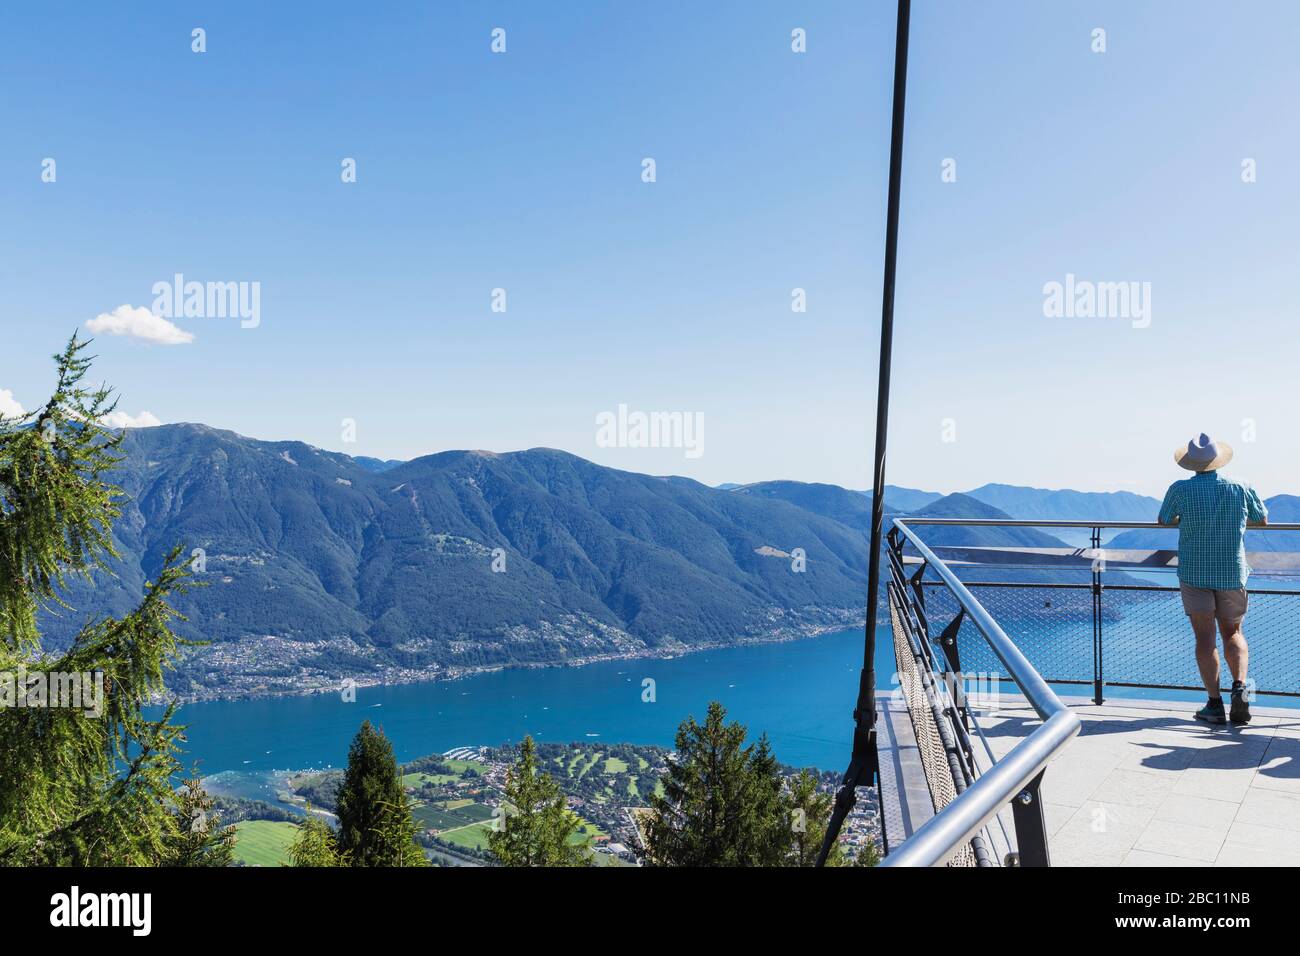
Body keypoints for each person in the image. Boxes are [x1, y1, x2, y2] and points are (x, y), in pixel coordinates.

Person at [1157, 433, 1268, 724]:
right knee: (1234, 633)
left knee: (1205, 638)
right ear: (1218, 459)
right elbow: (1262, 518)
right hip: (1232, 571)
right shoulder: (1241, 487)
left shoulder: (1180, 489)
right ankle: (1241, 689)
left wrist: (1188, 520)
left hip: (1194, 572)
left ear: (1191, 463)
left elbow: (1164, 519)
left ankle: (1214, 705)